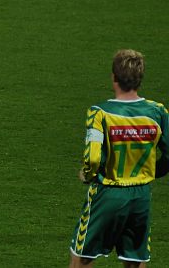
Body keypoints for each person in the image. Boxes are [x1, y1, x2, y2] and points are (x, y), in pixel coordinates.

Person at [69, 49, 169, 267]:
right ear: (139, 80)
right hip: (141, 196)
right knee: (135, 258)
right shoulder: (158, 112)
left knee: (82, 257)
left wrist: (87, 175)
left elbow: (93, 158)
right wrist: (154, 171)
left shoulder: (100, 113)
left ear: (114, 77)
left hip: (108, 194)